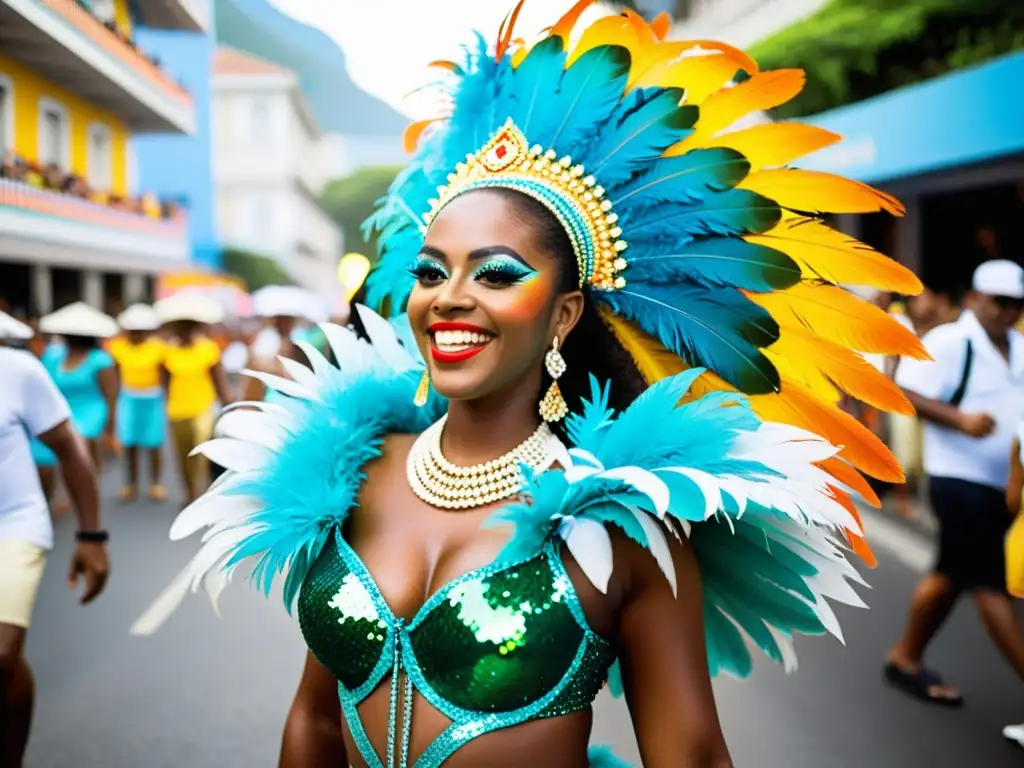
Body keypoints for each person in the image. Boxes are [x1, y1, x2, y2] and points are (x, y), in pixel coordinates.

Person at [132, 5, 924, 766]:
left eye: (497, 273)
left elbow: (692, 756)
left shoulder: (626, 525)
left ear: (563, 313)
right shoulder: (352, 473)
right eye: (431, 271)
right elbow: (312, 718)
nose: (449, 296)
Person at [886, 259, 1024, 707]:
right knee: (988, 581)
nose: (1008, 312)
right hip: (957, 479)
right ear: (974, 299)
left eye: (1016, 304)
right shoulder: (950, 342)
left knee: (952, 574)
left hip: (1002, 485)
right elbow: (901, 391)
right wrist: (958, 418)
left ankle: (905, 658)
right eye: (1000, 302)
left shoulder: (1019, 345)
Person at [0, 343, 109, 766]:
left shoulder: (17, 369)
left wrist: (92, 536)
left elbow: (68, 445)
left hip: (13, 523)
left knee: (1, 654)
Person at [31, 303, 120, 501]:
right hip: (60, 410)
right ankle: (54, 494)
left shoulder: (100, 359)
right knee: (41, 451)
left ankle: (83, 490)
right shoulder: (53, 356)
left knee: (78, 442)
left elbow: (111, 395)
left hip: (90, 410)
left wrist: (110, 430)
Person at [154, 293, 234, 505]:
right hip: (177, 409)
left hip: (202, 408)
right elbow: (164, 381)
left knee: (201, 449)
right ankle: (188, 490)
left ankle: (198, 491)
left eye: (188, 326)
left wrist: (229, 402)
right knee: (182, 455)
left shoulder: (207, 348)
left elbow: (218, 378)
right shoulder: (167, 351)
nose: (184, 330)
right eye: (181, 326)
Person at [109, 304, 168, 502]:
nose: (136, 334)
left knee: (154, 443)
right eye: (133, 330)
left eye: (140, 330)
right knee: (129, 443)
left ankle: (155, 483)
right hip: (128, 398)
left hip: (152, 398)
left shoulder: (159, 348)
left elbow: (165, 375)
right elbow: (114, 375)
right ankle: (130, 484)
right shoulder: (118, 348)